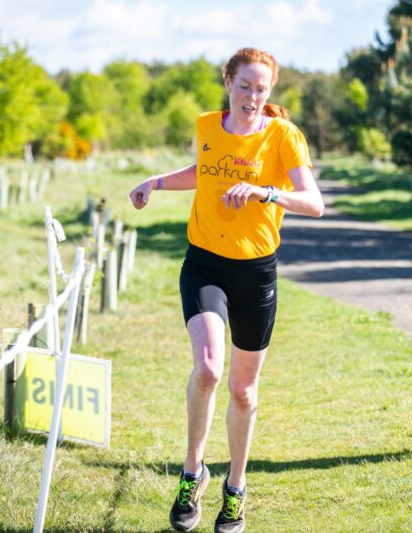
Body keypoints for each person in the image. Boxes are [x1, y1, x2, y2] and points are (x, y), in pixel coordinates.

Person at [129, 48, 324, 532]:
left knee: (242, 389)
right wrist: (155, 182)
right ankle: (191, 472)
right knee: (209, 368)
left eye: (262, 89)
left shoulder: (283, 136)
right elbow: (204, 173)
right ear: (228, 82)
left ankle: (235, 487)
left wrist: (265, 193)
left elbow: (315, 204)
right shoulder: (206, 126)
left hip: (256, 273)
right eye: (245, 86)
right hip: (205, 265)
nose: (253, 97)